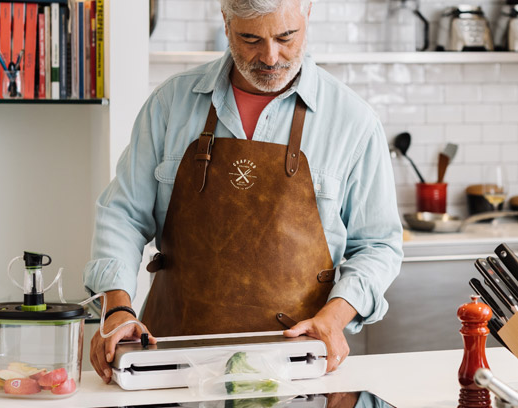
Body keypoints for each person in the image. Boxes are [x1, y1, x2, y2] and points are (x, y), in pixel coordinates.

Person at [85, 0, 403, 384]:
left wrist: (334, 318)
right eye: (250, 38)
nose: (270, 57)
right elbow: (122, 214)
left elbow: (378, 246)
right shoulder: (170, 105)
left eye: (286, 37)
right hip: (171, 364)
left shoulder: (353, 120)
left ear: (308, 14)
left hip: (298, 367)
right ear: (225, 21)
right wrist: (117, 308)